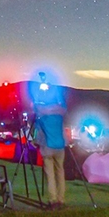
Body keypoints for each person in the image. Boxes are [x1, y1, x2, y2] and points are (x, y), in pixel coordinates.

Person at [31, 72, 67, 209]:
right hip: (60, 146)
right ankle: (61, 199)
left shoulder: (42, 116)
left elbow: (36, 108)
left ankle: (52, 200)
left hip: (47, 147)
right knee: (60, 172)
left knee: (50, 175)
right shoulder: (60, 115)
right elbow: (63, 106)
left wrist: (38, 95)